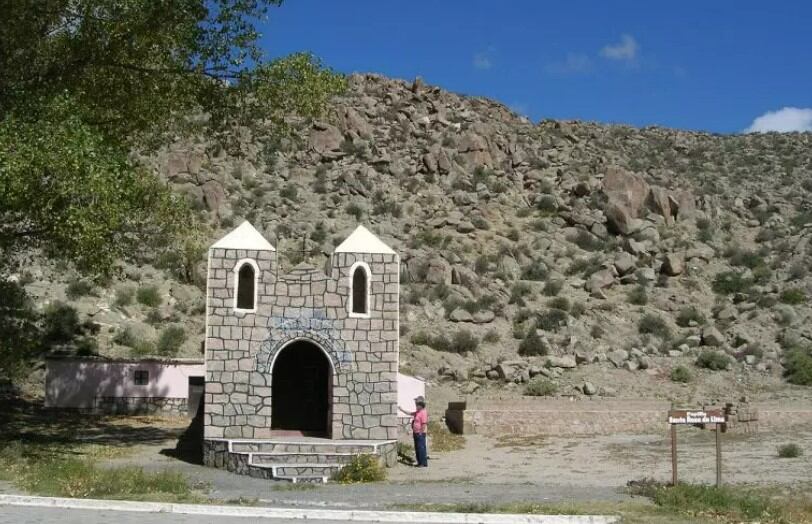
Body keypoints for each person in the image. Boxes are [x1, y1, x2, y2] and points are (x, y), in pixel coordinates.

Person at [410, 396, 428, 467]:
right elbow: (410, 413)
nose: (416, 405)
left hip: (420, 433)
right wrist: (401, 410)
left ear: (420, 405)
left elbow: (424, 423)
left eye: (417, 404)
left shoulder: (423, 412)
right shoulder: (418, 412)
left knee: (421, 448)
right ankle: (420, 462)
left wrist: (420, 432)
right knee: (418, 448)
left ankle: (422, 463)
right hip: (416, 432)